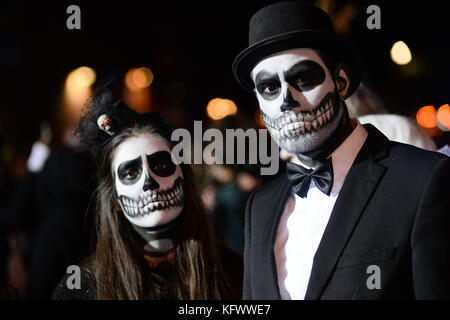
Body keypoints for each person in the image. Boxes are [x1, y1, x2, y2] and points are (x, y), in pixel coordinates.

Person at [232, 1, 450, 299]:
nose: (286, 99)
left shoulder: (422, 180)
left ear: (341, 82)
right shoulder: (260, 207)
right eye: (269, 87)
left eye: (303, 78)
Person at [52, 84, 242, 299]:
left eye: (161, 166)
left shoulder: (235, 272)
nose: (149, 182)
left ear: (184, 178)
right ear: (114, 198)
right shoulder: (81, 289)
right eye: (131, 173)